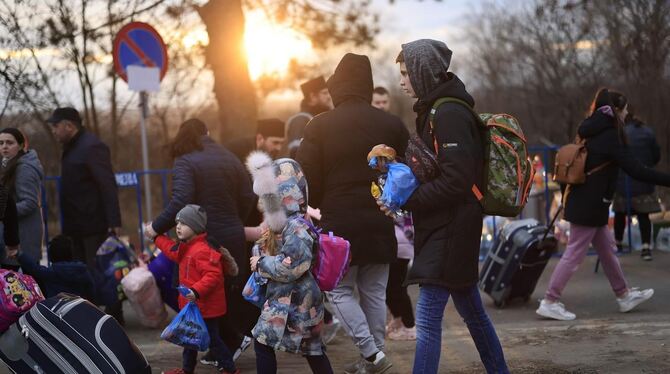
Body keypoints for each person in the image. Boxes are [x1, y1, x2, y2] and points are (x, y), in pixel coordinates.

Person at [394, 40, 509, 374]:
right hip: (447, 224)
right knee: (472, 310)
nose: (402, 81)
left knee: (428, 317)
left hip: (452, 225)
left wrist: (410, 199)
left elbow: (457, 180)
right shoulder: (437, 110)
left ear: (422, 72)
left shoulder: (449, 113)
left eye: (406, 73)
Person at [297, 53, 409, 374]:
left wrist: (319, 200)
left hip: (339, 223)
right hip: (381, 219)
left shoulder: (319, 126)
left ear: (336, 87)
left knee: (337, 288)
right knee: (375, 292)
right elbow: (406, 171)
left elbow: (308, 181)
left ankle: (372, 355)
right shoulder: (391, 124)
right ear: (367, 85)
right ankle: (373, 357)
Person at [536, 88, 670, 321]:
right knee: (574, 253)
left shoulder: (591, 129)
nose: (627, 113)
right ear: (616, 110)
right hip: (589, 205)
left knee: (607, 250)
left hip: (589, 202)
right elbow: (635, 169)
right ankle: (550, 300)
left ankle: (624, 295)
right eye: (625, 108)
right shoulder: (609, 135)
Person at [144, 119, 255, 360]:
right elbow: (248, 195)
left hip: (201, 241)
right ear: (207, 132)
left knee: (190, 290)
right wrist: (235, 221)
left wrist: (156, 227)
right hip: (231, 235)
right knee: (223, 291)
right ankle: (223, 346)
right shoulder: (229, 156)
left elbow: (180, 200)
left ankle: (225, 343)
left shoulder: (185, 160)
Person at [246, 155, 333, 374]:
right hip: (297, 300)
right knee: (312, 350)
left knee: (264, 341)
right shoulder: (293, 224)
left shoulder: (296, 228)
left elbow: (291, 265)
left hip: (292, 301)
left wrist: (261, 263)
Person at [48, 107, 123, 322]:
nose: (54, 130)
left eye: (56, 126)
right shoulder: (72, 147)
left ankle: (114, 314)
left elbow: (107, 184)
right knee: (84, 271)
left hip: (93, 222)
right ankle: (91, 314)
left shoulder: (91, 146)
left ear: (69, 126)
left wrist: (114, 220)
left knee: (99, 271)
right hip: (76, 224)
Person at [150, 205, 239, 374]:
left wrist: (196, 291)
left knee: (213, 340)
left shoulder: (203, 250)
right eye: (177, 223)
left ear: (196, 227)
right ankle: (187, 369)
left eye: (183, 223)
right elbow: (171, 250)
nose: (178, 227)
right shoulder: (187, 247)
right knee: (188, 340)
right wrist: (156, 238)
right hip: (194, 306)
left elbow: (213, 275)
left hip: (206, 308)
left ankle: (230, 368)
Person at [370, 86, 416, 341]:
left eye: (384, 101)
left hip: (401, 233)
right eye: (377, 102)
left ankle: (409, 325)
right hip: (396, 232)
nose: (381, 105)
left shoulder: (397, 171)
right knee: (391, 285)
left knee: (394, 285)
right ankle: (399, 322)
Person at [612, 110, 661, 260]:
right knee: (643, 215)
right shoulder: (648, 132)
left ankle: (618, 244)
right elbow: (656, 156)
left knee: (620, 214)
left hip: (623, 180)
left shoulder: (620, 133)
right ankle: (646, 247)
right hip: (644, 180)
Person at [0, 128, 44, 268]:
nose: (4, 146)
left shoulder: (24, 168)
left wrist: (5, 212)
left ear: (20, 145)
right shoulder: (7, 165)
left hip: (23, 237)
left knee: (27, 284)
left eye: (9, 142)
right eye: (1, 143)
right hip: (11, 235)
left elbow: (30, 202)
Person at [7, 235, 95, 301]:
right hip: (80, 307)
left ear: (52, 255)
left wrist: (19, 254)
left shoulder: (51, 273)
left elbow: (34, 267)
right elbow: (91, 290)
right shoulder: (82, 270)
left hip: (56, 311)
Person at [285, 76, 333, 158]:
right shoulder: (300, 120)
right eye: (324, 93)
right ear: (313, 96)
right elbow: (296, 153)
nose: (328, 97)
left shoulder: (319, 118)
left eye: (328, 93)